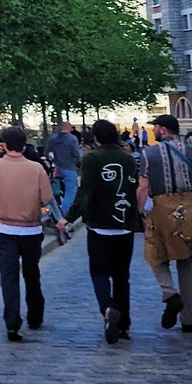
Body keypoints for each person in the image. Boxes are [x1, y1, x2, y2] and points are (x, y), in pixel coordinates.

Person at [136, 114, 192, 334]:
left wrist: (138, 213)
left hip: (162, 210)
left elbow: (142, 188)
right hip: (190, 211)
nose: (153, 131)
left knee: (155, 254)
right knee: (187, 263)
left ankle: (169, 293)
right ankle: (188, 320)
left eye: (155, 127)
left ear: (162, 130)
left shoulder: (149, 154)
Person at [65, 119, 141, 344]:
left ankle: (107, 308)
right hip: (124, 225)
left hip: (100, 225)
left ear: (96, 137)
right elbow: (134, 189)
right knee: (122, 276)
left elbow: (85, 192)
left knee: (99, 272)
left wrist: (68, 218)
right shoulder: (128, 158)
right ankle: (124, 324)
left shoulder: (92, 158)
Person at [0, 126, 53, 341]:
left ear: (4, 145)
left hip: (5, 228)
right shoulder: (37, 168)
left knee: (9, 277)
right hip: (31, 228)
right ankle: (35, 315)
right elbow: (46, 198)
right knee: (32, 273)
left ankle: (12, 322)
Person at [45, 121, 82, 216]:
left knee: (55, 193)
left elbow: (47, 152)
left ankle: (51, 212)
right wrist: (80, 163)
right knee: (70, 193)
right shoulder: (72, 138)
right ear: (69, 128)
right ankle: (64, 214)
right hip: (69, 168)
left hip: (57, 169)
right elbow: (76, 154)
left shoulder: (53, 138)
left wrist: (54, 161)